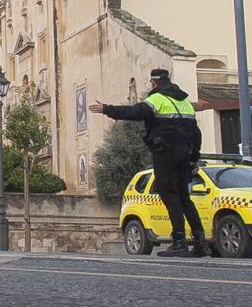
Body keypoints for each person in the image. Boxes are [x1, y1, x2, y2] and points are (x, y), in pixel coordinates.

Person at [90, 68, 209, 258]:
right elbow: (197, 133)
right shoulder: (184, 103)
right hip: (185, 153)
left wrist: (107, 109)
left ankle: (179, 242)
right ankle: (200, 242)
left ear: (154, 83)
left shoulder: (157, 99)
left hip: (166, 153)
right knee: (184, 197)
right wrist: (194, 155)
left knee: (169, 195)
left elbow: (135, 112)